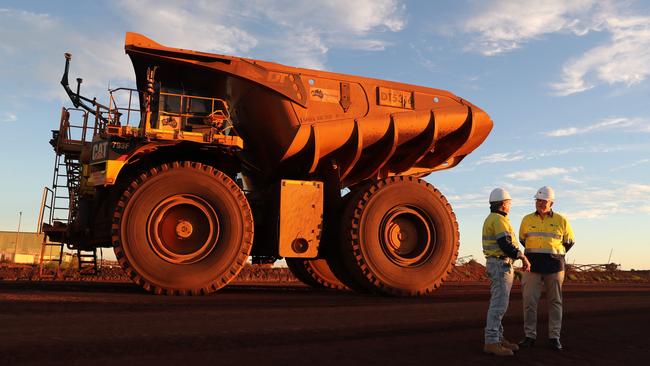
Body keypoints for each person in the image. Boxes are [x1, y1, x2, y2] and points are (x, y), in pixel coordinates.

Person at [518, 186, 575, 351]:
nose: (540, 203)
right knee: (529, 301)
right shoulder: (526, 220)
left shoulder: (561, 220)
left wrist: (554, 255)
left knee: (555, 302)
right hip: (532, 267)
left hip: (555, 267)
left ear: (551, 203)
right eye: (538, 200)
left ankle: (554, 337)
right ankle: (529, 336)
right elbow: (523, 240)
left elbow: (569, 241)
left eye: (543, 200)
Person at [483, 188, 531, 356]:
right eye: (509, 203)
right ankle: (492, 342)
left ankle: (498, 338)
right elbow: (505, 244)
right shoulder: (499, 220)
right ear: (503, 204)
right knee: (498, 306)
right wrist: (522, 257)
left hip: (497, 265)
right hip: (500, 265)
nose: (510, 206)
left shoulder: (493, 219)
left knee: (499, 304)